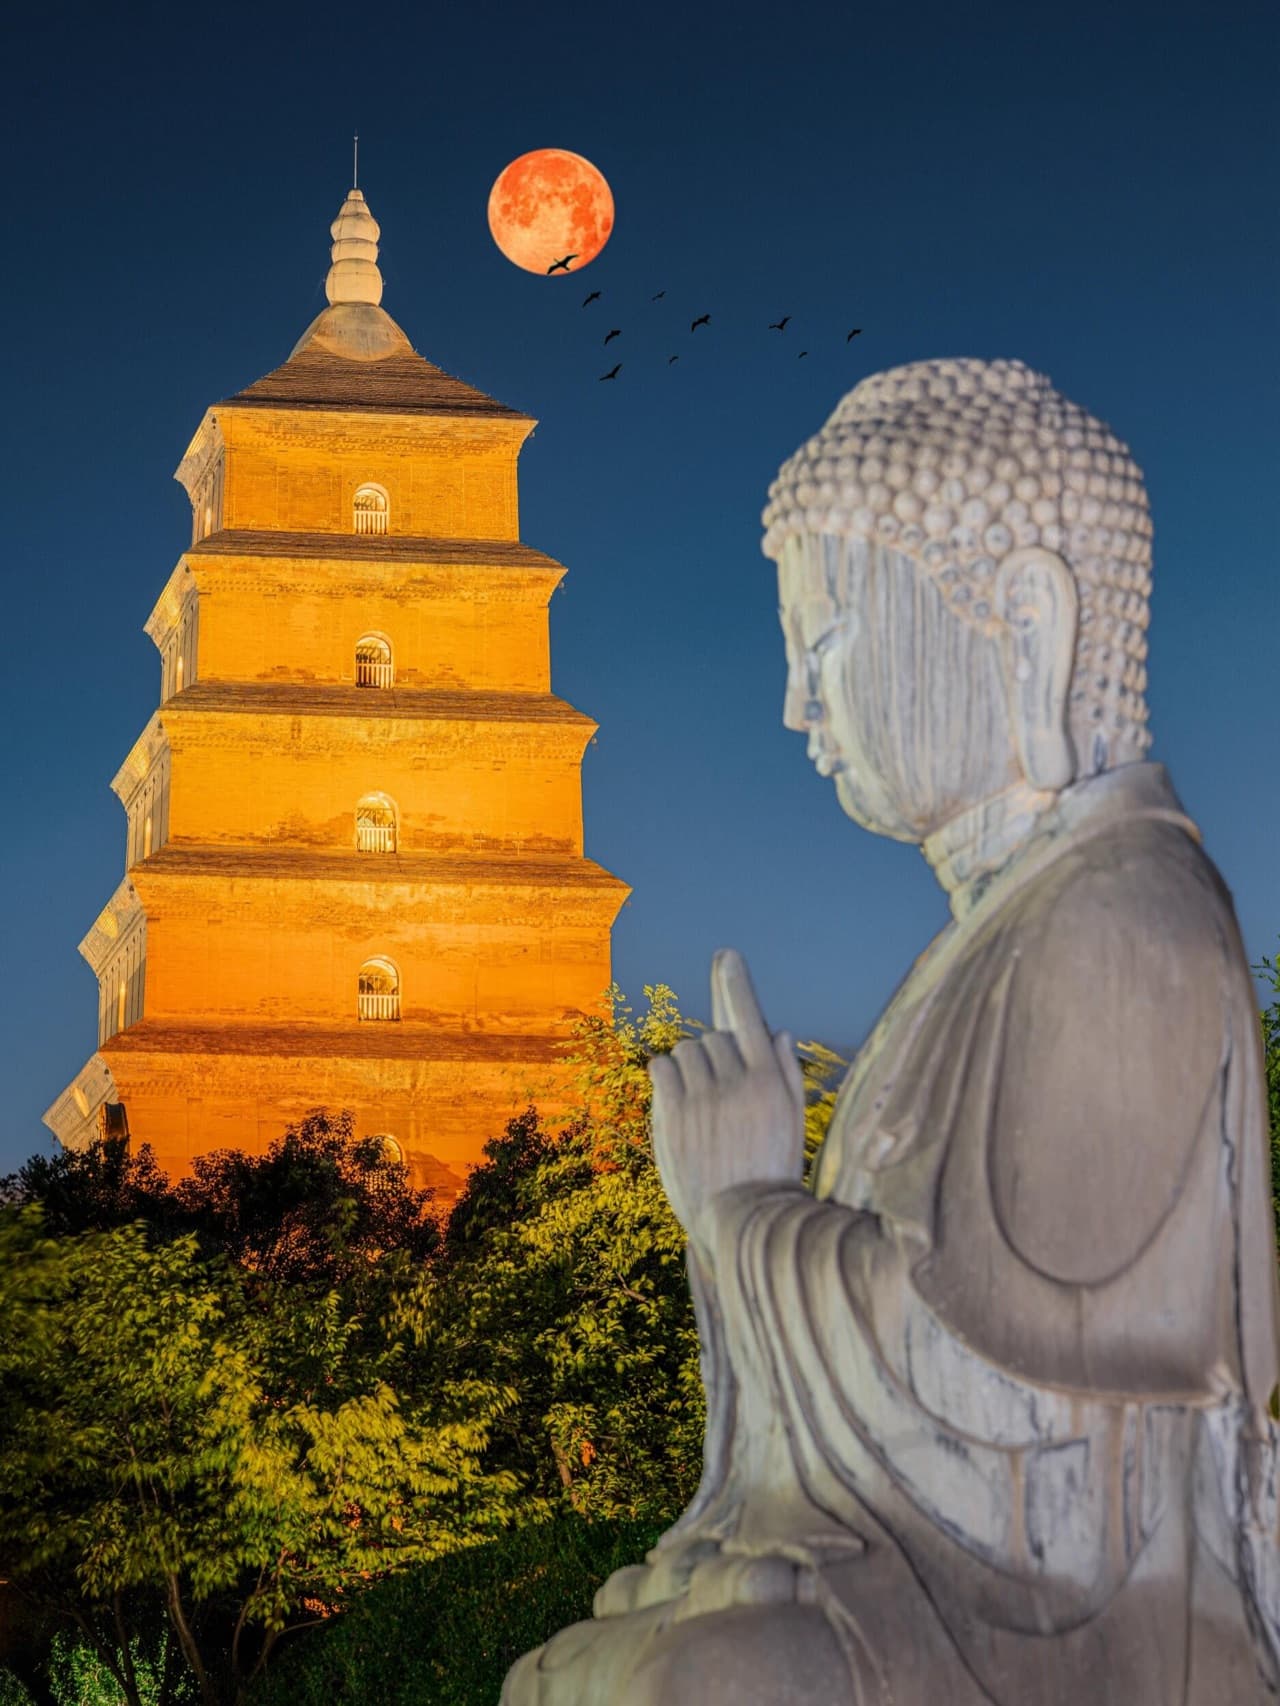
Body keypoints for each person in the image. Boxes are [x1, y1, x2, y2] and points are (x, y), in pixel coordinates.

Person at [503, 359, 1280, 1705]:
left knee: (701, 1682)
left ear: (1025, 626)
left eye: (827, 649)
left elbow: (1015, 1393)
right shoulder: (982, 951)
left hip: (1096, 1611)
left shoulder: (1131, 916)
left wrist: (744, 1202)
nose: (798, 712)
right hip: (950, 1581)